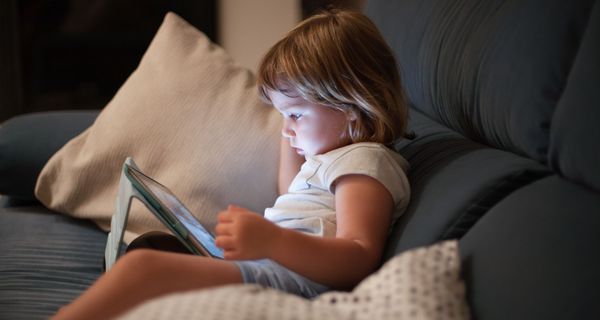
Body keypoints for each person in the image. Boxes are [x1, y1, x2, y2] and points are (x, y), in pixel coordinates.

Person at [53, 8, 411, 320]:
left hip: (282, 285)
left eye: (296, 114)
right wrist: (293, 134)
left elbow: (359, 256)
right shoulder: (330, 158)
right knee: (151, 248)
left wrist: (273, 241)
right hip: (264, 272)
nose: (286, 128)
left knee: (143, 268)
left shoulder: (365, 161)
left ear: (351, 105)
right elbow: (288, 190)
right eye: (282, 115)